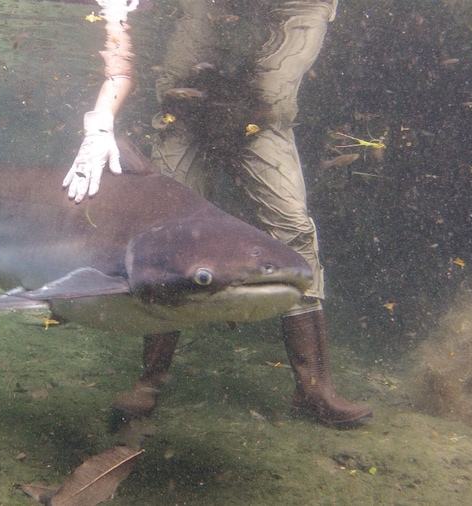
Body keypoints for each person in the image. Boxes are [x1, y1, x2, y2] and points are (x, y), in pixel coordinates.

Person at [63, 0, 371, 428]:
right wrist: (100, 123)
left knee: (295, 231)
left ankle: (315, 388)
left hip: (263, 114)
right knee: (168, 235)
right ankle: (150, 381)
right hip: (184, 113)